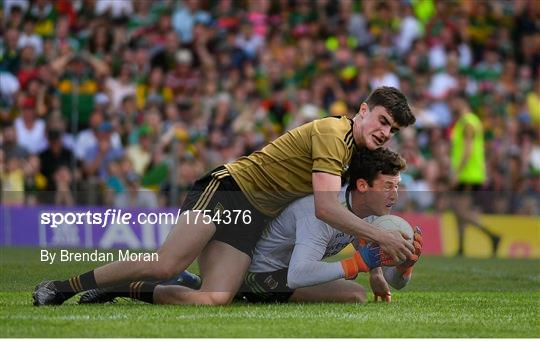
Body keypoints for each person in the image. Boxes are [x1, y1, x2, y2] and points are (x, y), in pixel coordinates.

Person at [33, 86, 416, 306]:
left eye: (393, 129)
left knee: (213, 299)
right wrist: (382, 239)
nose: (385, 132)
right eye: (383, 120)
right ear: (363, 110)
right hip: (229, 191)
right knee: (167, 262)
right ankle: (61, 288)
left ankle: (123, 287)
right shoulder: (335, 134)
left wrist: (377, 268)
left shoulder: (356, 154)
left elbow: (356, 214)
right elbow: (326, 207)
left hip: (255, 217)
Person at [78, 148, 423, 305]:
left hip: (282, 271)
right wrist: (357, 265)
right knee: (209, 301)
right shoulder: (321, 211)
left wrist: (402, 265)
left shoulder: (375, 216)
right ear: (362, 186)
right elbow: (299, 275)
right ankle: (128, 289)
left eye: (398, 185)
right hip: (259, 272)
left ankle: (186, 280)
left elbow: (393, 284)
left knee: (357, 295)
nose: (396, 193)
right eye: (389, 185)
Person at [449, 96, 500, 256]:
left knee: (461, 211)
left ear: (462, 102)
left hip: (468, 174)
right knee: (459, 210)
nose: (452, 104)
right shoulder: (467, 121)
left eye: (454, 100)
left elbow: (468, 150)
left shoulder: (468, 122)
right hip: (469, 173)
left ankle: (492, 235)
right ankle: (461, 247)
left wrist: (457, 173)